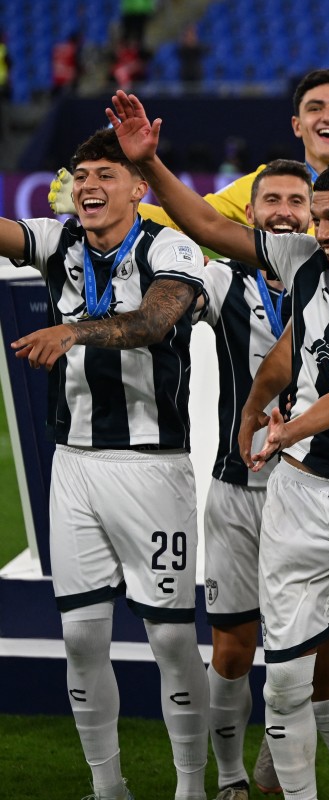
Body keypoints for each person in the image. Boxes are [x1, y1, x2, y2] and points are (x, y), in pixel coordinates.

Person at [109, 89, 329, 800]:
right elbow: (211, 230)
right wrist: (151, 163)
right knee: (288, 675)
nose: (315, 231)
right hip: (296, 494)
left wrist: (283, 427)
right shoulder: (307, 259)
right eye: (314, 217)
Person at [0, 127, 208, 800]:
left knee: (171, 641)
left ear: (138, 189)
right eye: (80, 174)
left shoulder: (170, 246)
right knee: (82, 638)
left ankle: (188, 786)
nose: (89, 185)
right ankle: (108, 787)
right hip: (74, 468)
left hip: (152, 469)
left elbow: (152, 323)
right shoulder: (59, 242)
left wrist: (73, 330)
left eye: (105, 175)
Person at [195, 159, 312, 800]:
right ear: (251, 213)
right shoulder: (220, 280)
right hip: (235, 490)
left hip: (314, 491)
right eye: (272, 199)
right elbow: (176, 301)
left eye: (298, 199)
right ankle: (233, 778)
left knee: (325, 653)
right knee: (233, 649)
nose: (285, 210)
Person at [49, 68, 329, 242]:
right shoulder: (263, 185)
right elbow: (190, 220)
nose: (327, 116)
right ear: (296, 124)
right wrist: (104, 204)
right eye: (315, 107)